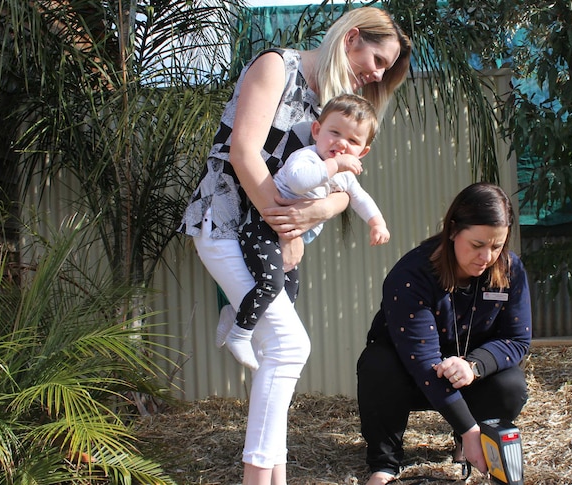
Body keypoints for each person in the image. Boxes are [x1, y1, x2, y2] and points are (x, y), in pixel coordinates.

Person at [176, 6, 411, 485]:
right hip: (225, 224)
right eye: (379, 59)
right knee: (288, 346)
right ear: (351, 38)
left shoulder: (336, 105)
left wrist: (317, 214)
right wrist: (288, 230)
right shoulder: (275, 67)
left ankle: (274, 475)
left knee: (278, 359)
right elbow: (243, 153)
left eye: (386, 70)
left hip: (270, 238)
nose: (377, 74)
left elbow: (345, 191)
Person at [356, 182, 532, 485]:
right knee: (377, 364)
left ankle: (467, 446)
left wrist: (474, 365)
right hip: (409, 376)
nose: (487, 256)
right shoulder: (412, 275)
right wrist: (469, 427)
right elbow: (424, 362)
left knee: (511, 383)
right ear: (453, 230)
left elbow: (518, 339)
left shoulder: (510, 269)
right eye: (477, 245)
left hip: (467, 374)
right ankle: (384, 462)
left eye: (497, 245)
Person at [218, 93, 391, 369]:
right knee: (271, 283)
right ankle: (239, 334)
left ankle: (236, 313)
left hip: (283, 236)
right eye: (335, 133)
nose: (341, 144)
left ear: (363, 152)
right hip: (262, 227)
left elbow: (359, 198)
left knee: (289, 291)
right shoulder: (307, 158)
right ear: (317, 130)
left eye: (353, 141)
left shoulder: (344, 175)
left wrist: (377, 222)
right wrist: (334, 165)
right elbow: (299, 182)